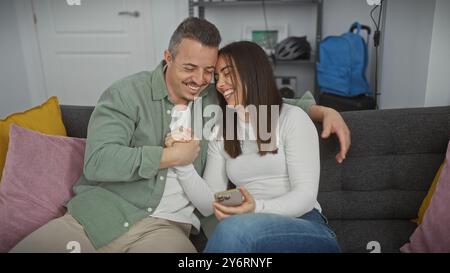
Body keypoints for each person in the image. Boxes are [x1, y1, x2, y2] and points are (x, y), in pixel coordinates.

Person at [10, 17, 347, 253]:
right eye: (189, 67)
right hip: (102, 215)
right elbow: (98, 161)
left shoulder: (219, 103)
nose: (202, 80)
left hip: (169, 229)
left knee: (229, 232)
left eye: (210, 72)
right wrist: (172, 159)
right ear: (167, 57)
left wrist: (320, 110)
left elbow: (263, 100)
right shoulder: (128, 94)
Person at [169, 41, 341, 252]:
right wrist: (182, 162)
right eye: (217, 78)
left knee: (235, 228)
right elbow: (208, 204)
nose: (220, 84)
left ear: (253, 71)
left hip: (306, 225)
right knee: (234, 228)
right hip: (250, 229)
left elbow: (305, 197)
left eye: (227, 73)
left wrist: (255, 208)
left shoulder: (293, 118)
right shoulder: (223, 131)